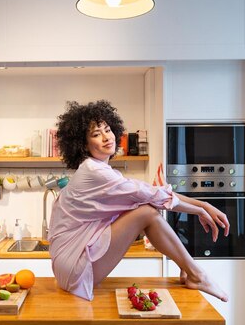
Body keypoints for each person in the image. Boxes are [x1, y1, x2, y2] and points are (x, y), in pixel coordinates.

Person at [47, 100, 230, 302]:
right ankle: (197, 275)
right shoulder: (94, 171)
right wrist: (201, 208)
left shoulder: (97, 170)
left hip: (69, 264)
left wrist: (202, 206)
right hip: (73, 266)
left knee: (146, 209)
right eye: (96, 134)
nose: (106, 137)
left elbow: (151, 192)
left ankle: (190, 271)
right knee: (147, 212)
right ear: (83, 144)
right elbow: (153, 197)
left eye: (107, 130)